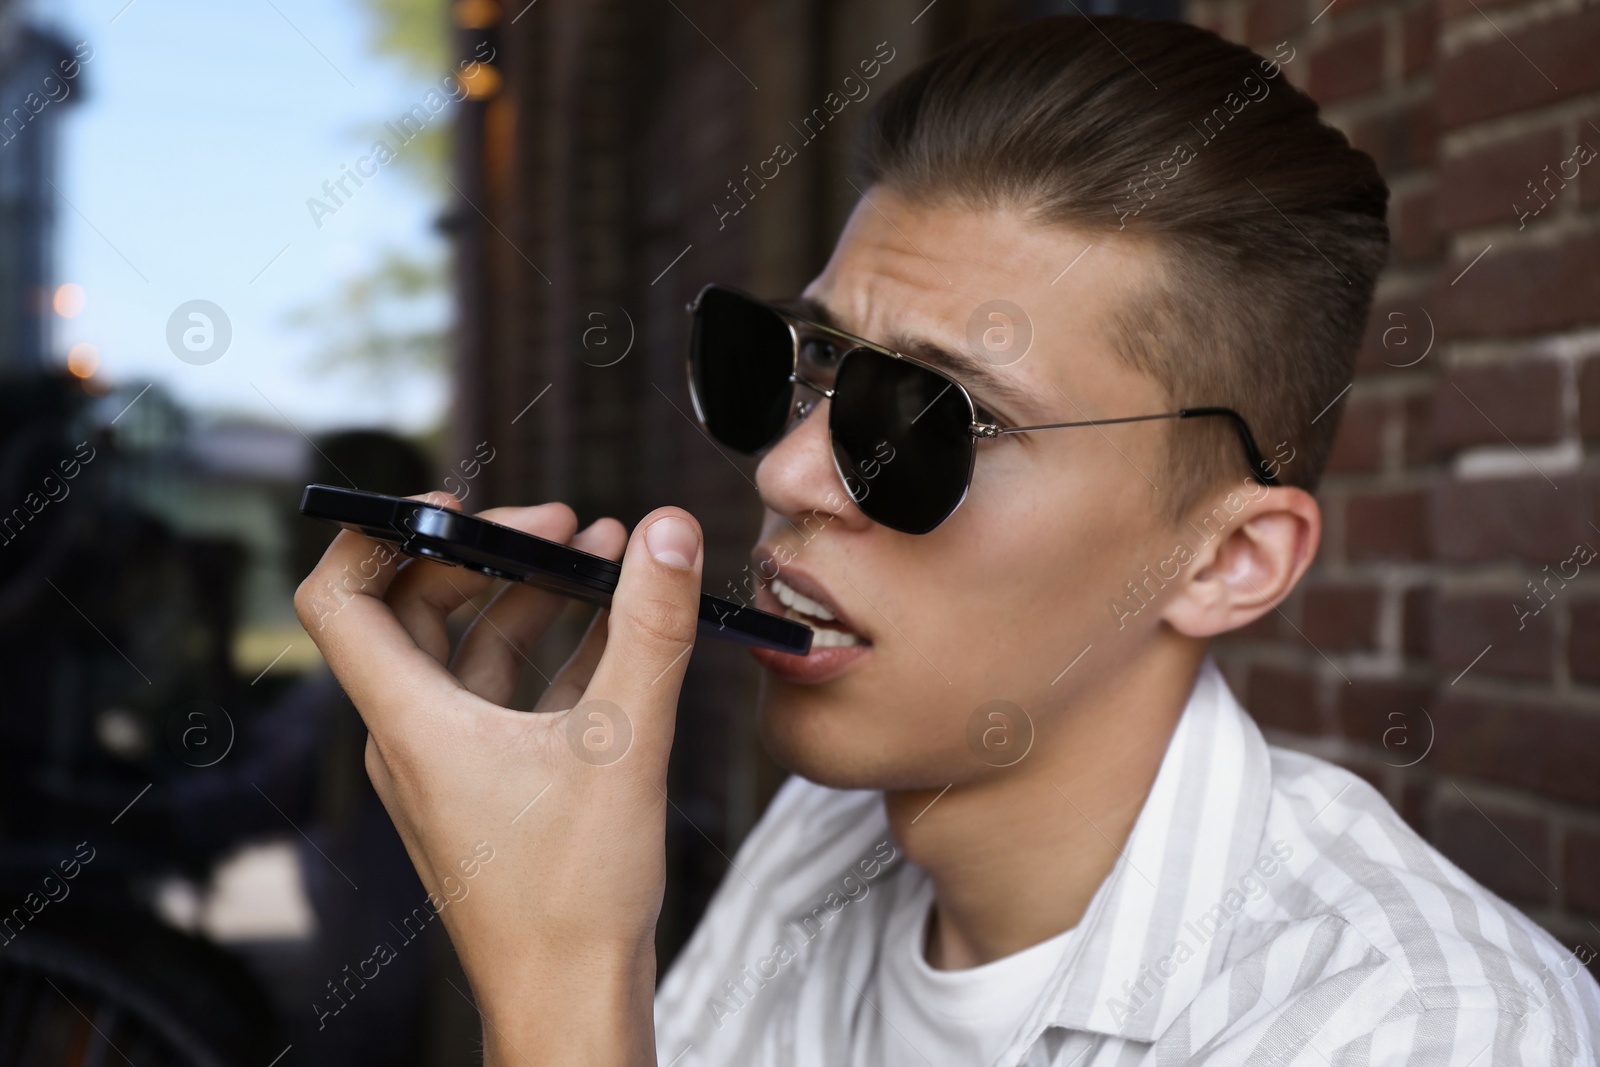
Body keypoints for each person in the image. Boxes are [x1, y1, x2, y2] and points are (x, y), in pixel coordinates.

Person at [295, 16, 1600, 1066]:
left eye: (934, 422)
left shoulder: (1424, 1030)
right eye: (806, 365)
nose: (794, 466)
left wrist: (563, 996)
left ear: (1227, 560)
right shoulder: (824, 835)